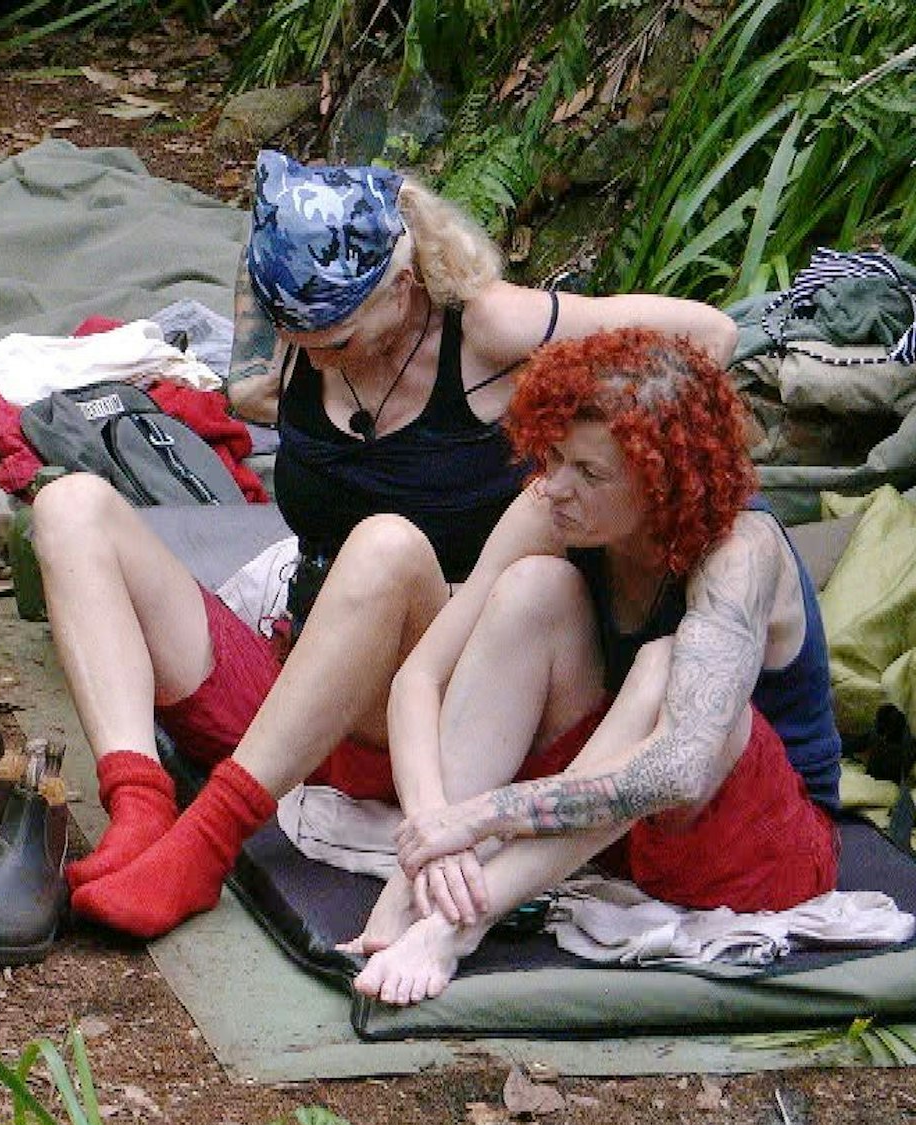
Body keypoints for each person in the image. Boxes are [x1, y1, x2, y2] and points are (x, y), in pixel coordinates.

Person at [38, 150, 739, 940]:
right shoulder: (292, 350)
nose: (313, 354)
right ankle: (140, 807)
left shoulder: (489, 329)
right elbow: (263, 350)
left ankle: (207, 842)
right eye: (294, 334)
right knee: (71, 506)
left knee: (385, 544)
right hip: (297, 691)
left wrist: (584, 441)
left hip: (440, 697)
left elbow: (709, 336)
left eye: (336, 338)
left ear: (401, 289)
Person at [351, 328, 842, 1004]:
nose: (555, 488)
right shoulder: (551, 505)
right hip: (608, 828)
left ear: (664, 482)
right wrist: (431, 836)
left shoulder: (739, 553)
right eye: (552, 458)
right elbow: (421, 676)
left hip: (751, 848)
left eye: (589, 473)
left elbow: (680, 769)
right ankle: (407, 903)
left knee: (664, 666)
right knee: (529, 590)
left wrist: (485, 816)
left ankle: (460, 921)